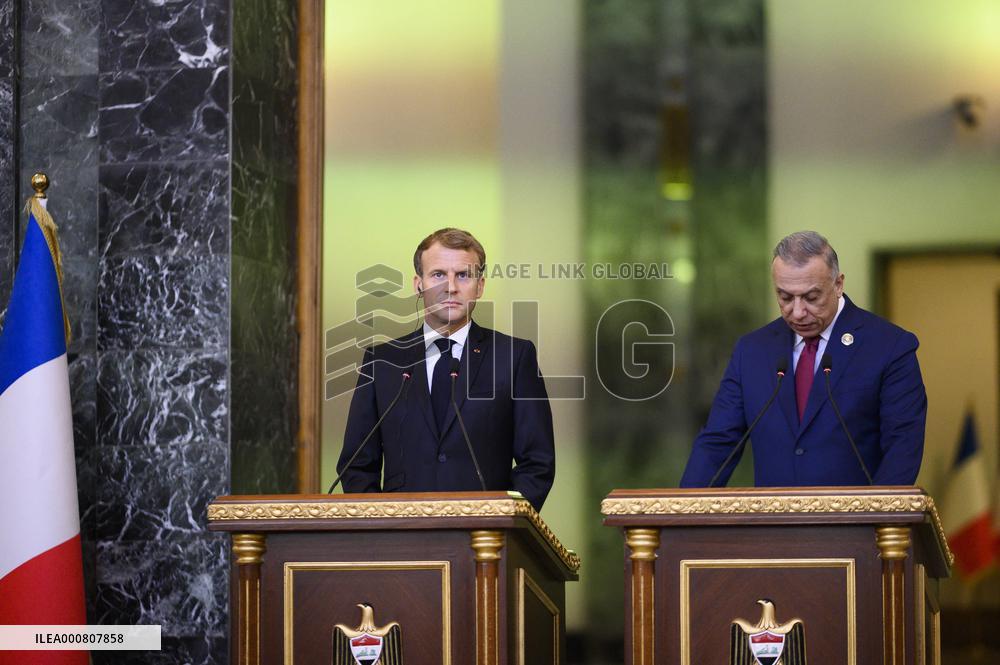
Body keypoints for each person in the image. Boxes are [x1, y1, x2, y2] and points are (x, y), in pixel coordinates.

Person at [680, 231, 927, 487]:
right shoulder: (752, 351)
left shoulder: (889, 346)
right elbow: (718, 442)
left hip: (855, 523)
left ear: (838, 284)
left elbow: (903, 446)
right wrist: (681, 516)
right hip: (773, 522)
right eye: (785, 297)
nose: (797, 312)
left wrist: (881, 520)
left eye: (811, 297)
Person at [337, 228, 555, 511]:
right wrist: (383, 527)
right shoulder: (383, 360)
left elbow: (537, 464)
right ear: (418, 284)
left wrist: (503, 522)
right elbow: (357, 466)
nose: (450, 286)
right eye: (438, 274)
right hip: (401, 539)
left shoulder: (514, 356)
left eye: (463, 275)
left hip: (486, 539)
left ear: (480, 286)